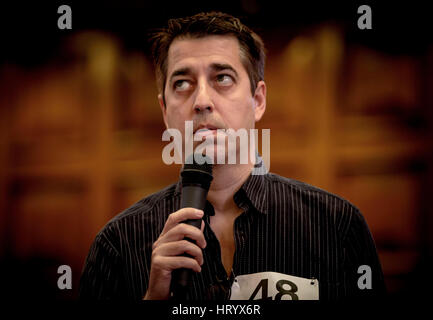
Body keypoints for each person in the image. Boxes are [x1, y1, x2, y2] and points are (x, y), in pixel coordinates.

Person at [79, 11, 386, 301]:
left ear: (258, 100)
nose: (201, 101)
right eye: (182, 83)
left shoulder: (337, 226)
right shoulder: (117, 244)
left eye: (222, 78)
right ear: (164, 111)